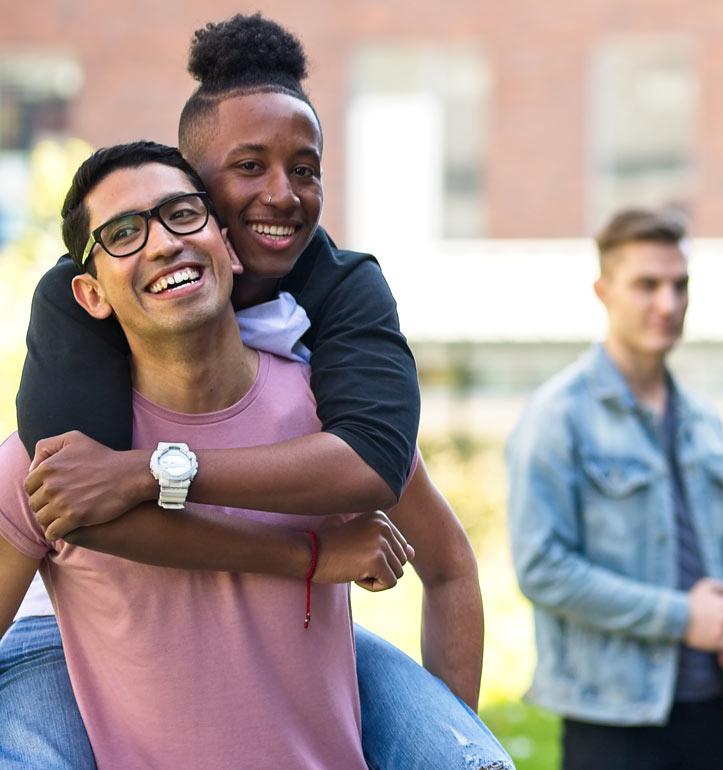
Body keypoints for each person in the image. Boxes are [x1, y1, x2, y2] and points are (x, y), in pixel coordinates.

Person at [1, 15, 505, 770]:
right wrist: (314, 553)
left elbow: (410, 511)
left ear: (214, 237)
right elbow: (67, 497)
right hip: (65, 636)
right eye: (249, 167)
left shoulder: (333, 324)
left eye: (305, 168)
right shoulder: (72, 321)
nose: (283, 194)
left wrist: (442, 733)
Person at [0, 140, 411, 767]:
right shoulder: (52, 466)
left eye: (183, 214)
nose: (163, 243)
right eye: (123, 233)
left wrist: (443, 741)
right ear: (90, 294)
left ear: (226, 243)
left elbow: (454, 568)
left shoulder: (328, 419)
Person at [507, 208, 723, 770]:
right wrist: (680, 616)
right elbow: (542, 567)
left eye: (680, 285)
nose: (668, 304)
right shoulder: (557, 416)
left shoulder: (701, 417)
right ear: (603, 290)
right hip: (611, 719)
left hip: (709, 707)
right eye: (647, 285)